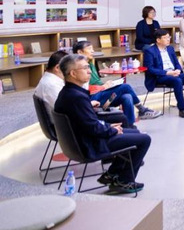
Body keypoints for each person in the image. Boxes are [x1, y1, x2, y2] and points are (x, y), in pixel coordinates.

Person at [54, 54, 151, 193]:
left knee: (134, 133)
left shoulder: (69, 93)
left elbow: (88, 122)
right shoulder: (77, 97)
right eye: (85, 68)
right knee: (144, 139)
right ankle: (124, 181)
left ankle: (112, 173)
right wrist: (111, 130)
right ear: (73, 73)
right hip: (89, 144)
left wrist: (109, 127)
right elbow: (92, 127)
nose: (89, 71)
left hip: (83, 140)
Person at [73, 41, 162, 124]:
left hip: (104, 99)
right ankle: (142, 110)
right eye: (89, 49)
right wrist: (103, 87)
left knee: (127, 96)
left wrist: (107, 85)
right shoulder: (78, 68)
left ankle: (130, 127)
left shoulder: (90, 64)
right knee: (125, 87)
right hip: (93, 100)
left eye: (92, 48)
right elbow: (84, 88)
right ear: (80, 52)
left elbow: (96, 83)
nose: (92, 51)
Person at [35, 50, 130, 126]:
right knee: (121, 116)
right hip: (68, 126)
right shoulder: (51, 84)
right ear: (57, 67)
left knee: (125, 98)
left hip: (68, 121)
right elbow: (69, 110)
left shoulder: (49, 80)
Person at [143, 29, 184, 119]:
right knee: (177, 81)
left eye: (169, 37)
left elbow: (176, 63)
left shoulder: (170, 49)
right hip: (160, 76)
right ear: (158, 40)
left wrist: (178, 69)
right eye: (165, 38)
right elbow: (150, 69)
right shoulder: (150, 51)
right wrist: (168, 73)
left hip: (174, 73)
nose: (168, 39)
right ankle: (182, 109)